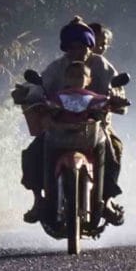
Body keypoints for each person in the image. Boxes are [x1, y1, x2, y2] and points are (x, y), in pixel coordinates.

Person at [18, 18, 125, 223]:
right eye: (72, 47)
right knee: (32, 154)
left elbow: (115, 87)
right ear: (66, 49)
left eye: (82, 47)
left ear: (90, 47)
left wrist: (118, 98)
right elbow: (40, 86)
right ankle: (38, 200)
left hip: (95, 126)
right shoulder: (56, 67)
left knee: (116, 149)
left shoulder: (102, 66)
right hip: (59, 125)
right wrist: (28, 94)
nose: (78, 52)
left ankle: (108, 200)